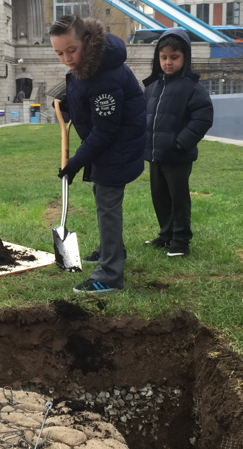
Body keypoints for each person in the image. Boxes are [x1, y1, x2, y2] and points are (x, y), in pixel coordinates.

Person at [50, 15, 146, 294]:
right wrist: (72, 101)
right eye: (59, 53)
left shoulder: (104, 75)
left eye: (71, 50)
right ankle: (111, 248)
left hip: (119, 147)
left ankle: (110, 274)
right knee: (103, 199)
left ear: (88, 41)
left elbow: (105, 131)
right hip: (111, 144)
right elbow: (85, 92)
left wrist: (76, 162)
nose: (66, 58)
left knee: (107, 204)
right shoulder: (91, 63)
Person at [143, 29, 213, 257]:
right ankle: (166, 235)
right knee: (159, 197)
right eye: (164, 58)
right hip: (155, 155)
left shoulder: (193, 87)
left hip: (178, 155)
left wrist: (181, 143)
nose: (168, 63)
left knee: (178, 199)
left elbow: (203, 118)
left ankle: (181, 241)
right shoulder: (153, 87)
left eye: (174, 57)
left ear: (185, 58)